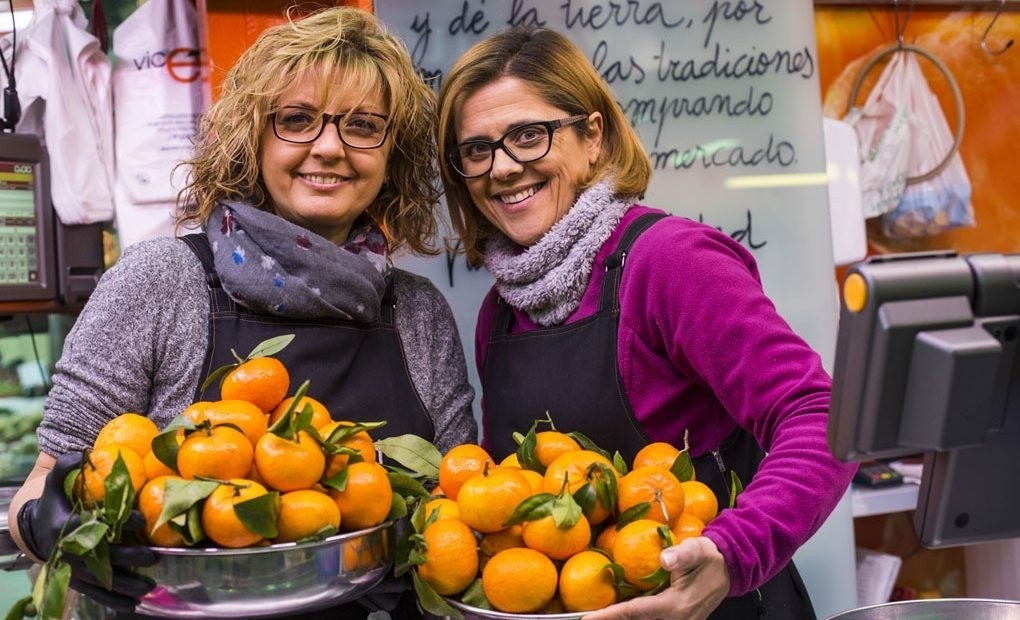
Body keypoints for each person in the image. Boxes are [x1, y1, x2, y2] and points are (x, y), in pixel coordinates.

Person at [9, 6, 476, 619]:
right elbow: (44, 482)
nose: (329, 147)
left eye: (363, 125)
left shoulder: (419, 313)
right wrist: (49, 525)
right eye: (297, 120)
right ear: (252, 137)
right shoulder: (160, 283)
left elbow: (457, 503)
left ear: (393, 153)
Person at [436, 26, 857, 619]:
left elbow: (820, 417)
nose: (502, 168)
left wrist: (731, 555)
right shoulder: (501, 312)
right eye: (476, 149)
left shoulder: (670, 263)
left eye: (528, 135)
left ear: (593, 136)